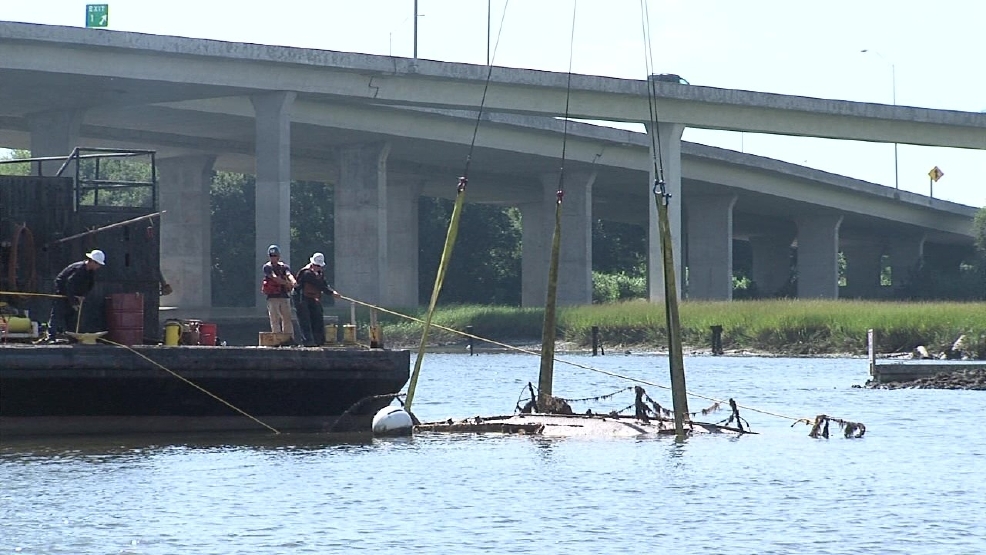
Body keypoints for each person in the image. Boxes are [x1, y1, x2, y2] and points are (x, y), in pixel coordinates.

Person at [47, 249, 105, 339]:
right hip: (63, 291)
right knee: (58, 313)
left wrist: (82, 295)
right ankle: (51, 336)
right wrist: (73, 302)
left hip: (74, 294)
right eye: (98, 264)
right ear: (92, 261)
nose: (99, 267)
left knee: (71, 315)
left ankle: (71, 336)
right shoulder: (79, 270)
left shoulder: (90, 272)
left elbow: (89, 285)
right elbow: (69, 285)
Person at [292, 252, 340, 346]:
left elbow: (324, 284)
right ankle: (308, 341)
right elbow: (320, 285)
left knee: (317, 316)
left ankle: (319, 341)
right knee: (305, 319)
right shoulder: (306, 273)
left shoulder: (319, 273)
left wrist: (332, 291)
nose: (318, 268)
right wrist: (331, 293)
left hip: (312, 297)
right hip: (301, 297)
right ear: (312, 264)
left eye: (320, 266)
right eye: (317, 265)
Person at [261, 244, 295, 337]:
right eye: (271, 256)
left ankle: (289, 337)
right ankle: (277, 337)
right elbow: (274, 277)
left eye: (275, 256)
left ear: (279, 256)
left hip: (284, 296)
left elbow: (289, 274)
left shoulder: (284, 267)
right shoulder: (267, 267)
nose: (273, 258)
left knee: (287, 318)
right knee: (274, 319)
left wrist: (293, 281)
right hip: (272, 297)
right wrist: (286, 283)